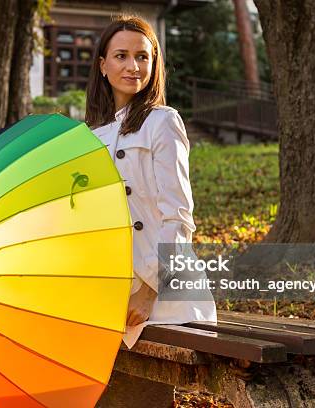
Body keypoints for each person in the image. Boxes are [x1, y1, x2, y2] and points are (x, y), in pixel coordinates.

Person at [85, 15, 217, 348]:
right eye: (121, 56)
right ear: (103, 65)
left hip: (165, 295)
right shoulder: (92, 135)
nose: (133, 66)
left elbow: (178, 217)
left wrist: (148, 292)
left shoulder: (163, 122)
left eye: (143, 56)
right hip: (112, 292)